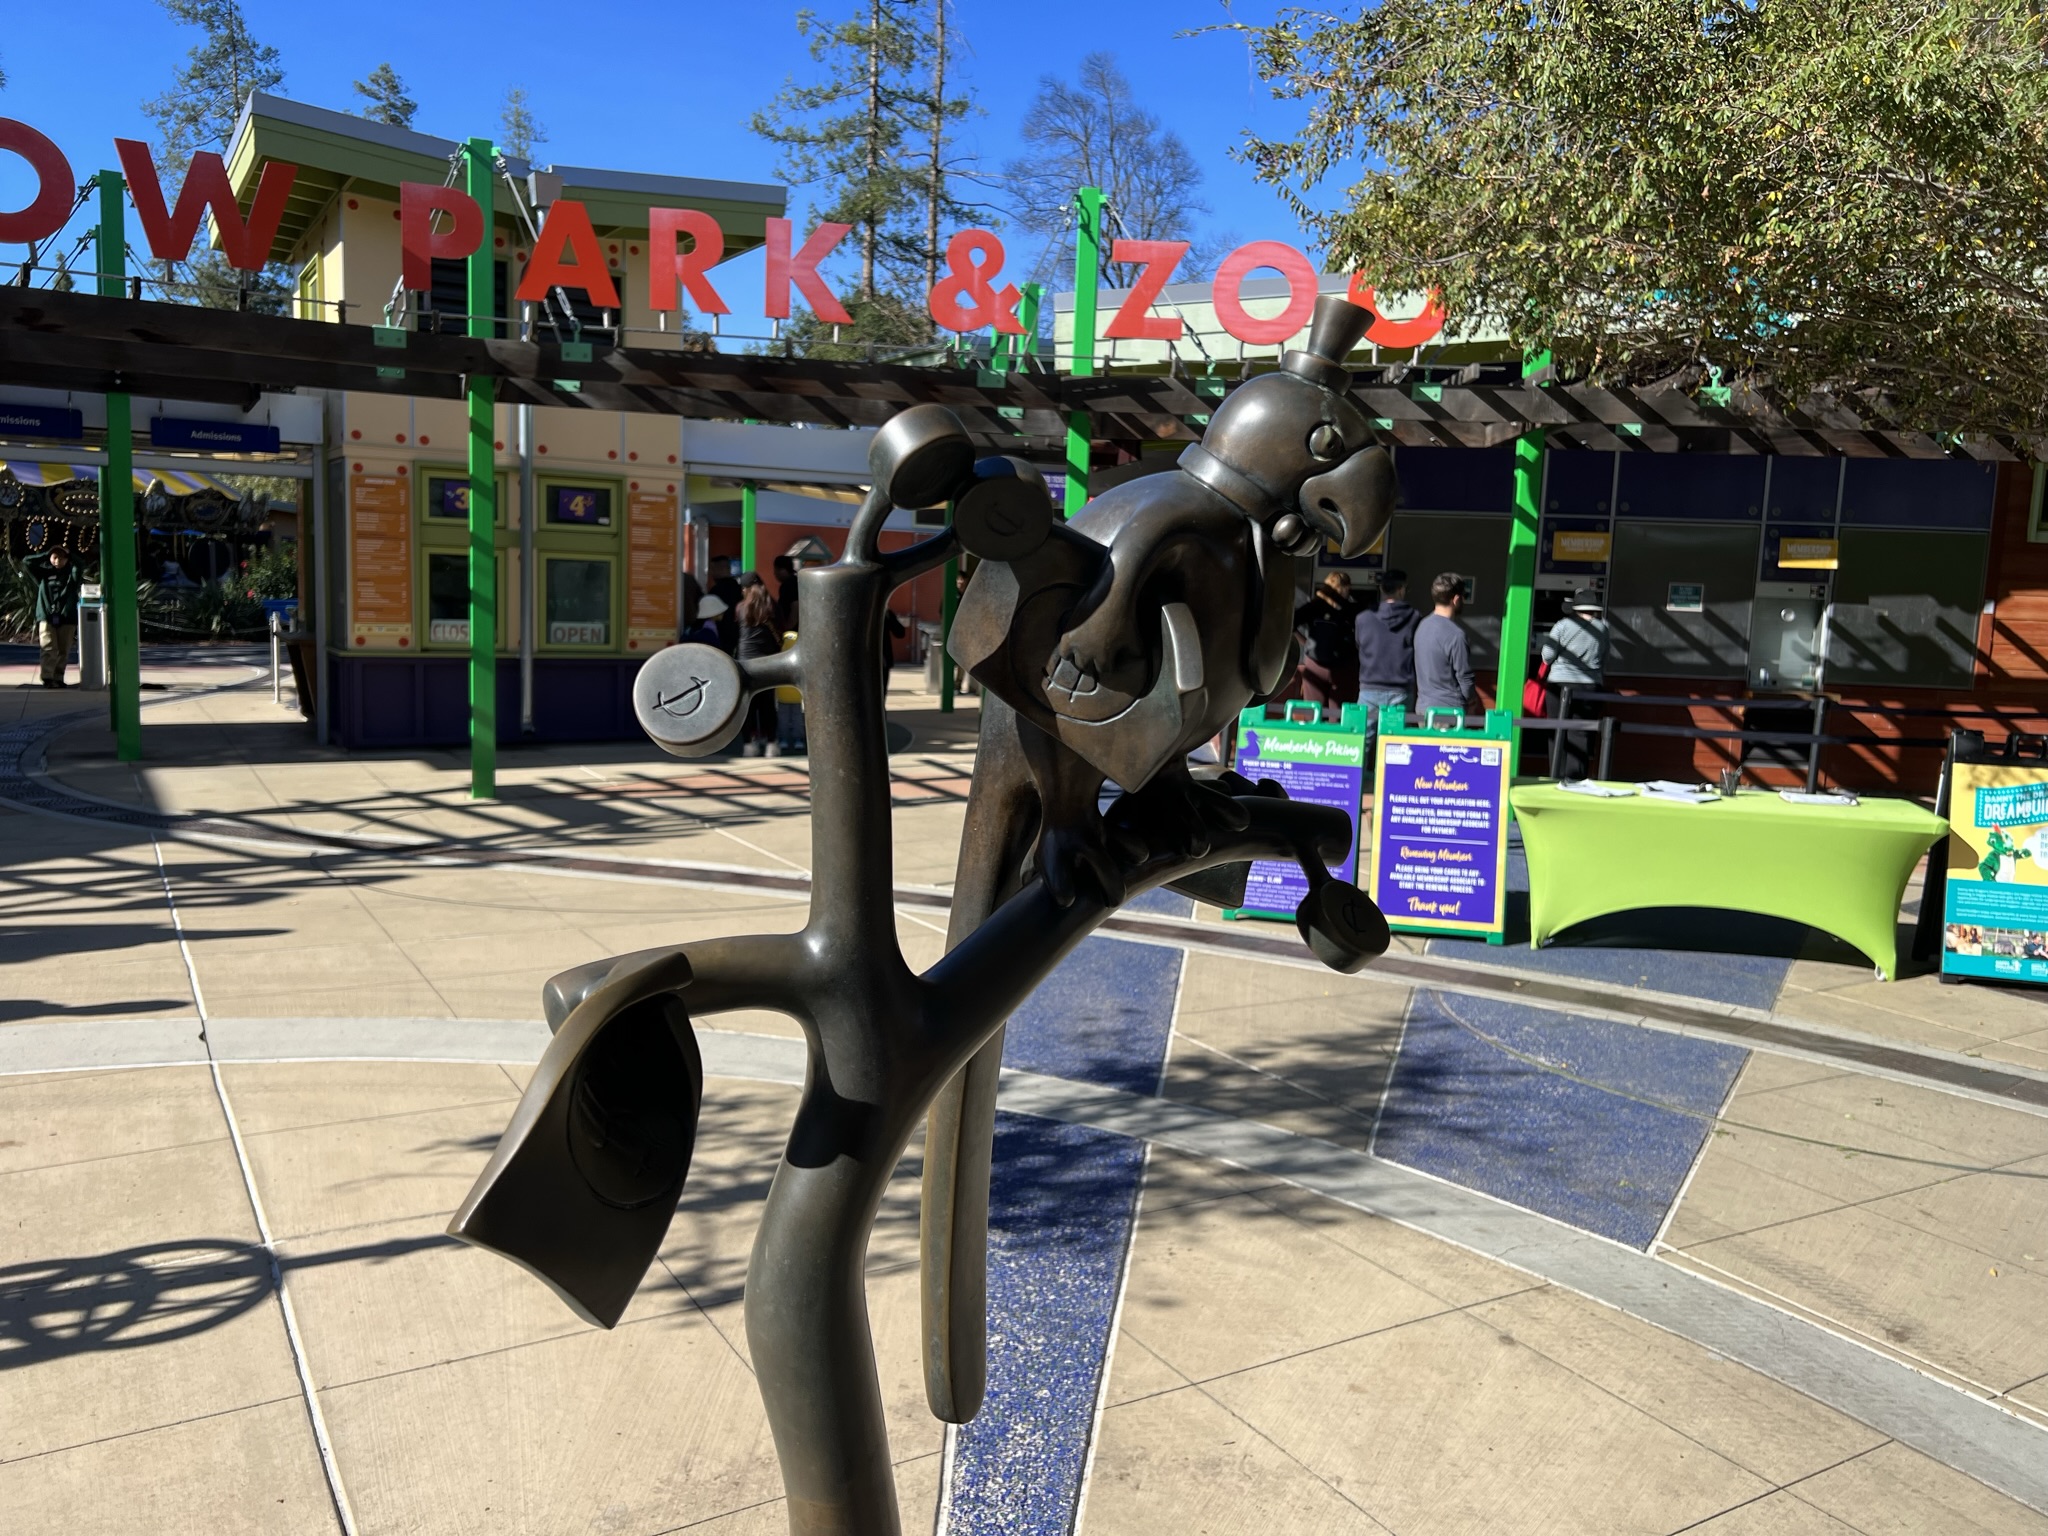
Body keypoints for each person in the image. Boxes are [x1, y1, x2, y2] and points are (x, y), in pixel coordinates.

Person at [1541, 588, 1610, 780]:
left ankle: (1556, 776)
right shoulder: (1603, 628)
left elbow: (1547, 656)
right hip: (1589, 686)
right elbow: (1605, 660)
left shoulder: (1562, 625)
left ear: (1575, 607)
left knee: (1557, 730)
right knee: (1581, 733)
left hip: (1559, 684)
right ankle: (1576, 778)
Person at [1354, 568, 1421, 752]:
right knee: (1396, 745)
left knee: (1362, 742)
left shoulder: (1362, 618)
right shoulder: (1414, 617)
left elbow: (1359, 645)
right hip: (1401, 689)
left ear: (1382, 589)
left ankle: (1361, 772)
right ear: (1401, 589)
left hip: (1369, 687)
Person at [1413, 571, 1475, 720]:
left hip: (1423, 707)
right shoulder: (1456, 635)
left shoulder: (1422, 626)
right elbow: (1465, 678)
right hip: (1449, 711)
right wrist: (1471, 700)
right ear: (1456, 599)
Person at [1293, 571, 1359, 710]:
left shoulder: (1315, 605)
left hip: (1314, 664)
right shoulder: (1350, 609)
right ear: (1344, 588)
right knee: (1339, 713)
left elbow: (1291, 623)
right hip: (1344, 665)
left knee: (1314, 712)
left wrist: (1306, 643)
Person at [734, 584, 782, 756]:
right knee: (768, 706)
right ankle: (771, 744)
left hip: (746, 662)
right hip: (767, 662)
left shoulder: (741, 608)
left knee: (748, 705)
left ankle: (749, 744)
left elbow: (734, 634)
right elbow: (779, 634)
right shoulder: (771, 609)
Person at [25, 546, 82, 689]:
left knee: (63, 649)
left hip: (67, 617)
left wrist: (70, 554)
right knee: (48, 647)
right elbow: (27, 562)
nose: (58, 561)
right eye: (55, 557)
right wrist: (46, 554)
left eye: (61, 558)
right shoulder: (44, 573)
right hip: (47, 615)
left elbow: (80, 564)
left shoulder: (71, 574)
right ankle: (48, 677)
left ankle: (58, 677)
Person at [707, 556, 742, 652]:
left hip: (721, 638)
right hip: (739, 636)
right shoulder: (739, 589)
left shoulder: (715, 592)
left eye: (712, 569)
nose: (710, 572)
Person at [771, 553, 800, 635]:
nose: (775, 573)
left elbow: (795, 606)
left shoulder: (789, 585)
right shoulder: (795, 581)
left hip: (792, 632)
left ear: (783, 570)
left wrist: (788, 628)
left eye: (776, 570)